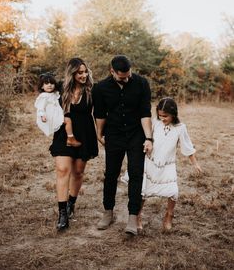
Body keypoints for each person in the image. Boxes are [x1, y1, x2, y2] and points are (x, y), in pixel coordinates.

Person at [93, 55, 153, 235]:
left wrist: (149, 138)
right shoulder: (100, 88)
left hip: (136, 135)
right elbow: (100, 114)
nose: (126, 79)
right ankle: (108, 212)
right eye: (122, 76)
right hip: (114, 135)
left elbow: (145, 112)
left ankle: (133, 217)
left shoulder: (142, 84)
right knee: (111, 173)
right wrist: (99, 134)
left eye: (128, 75)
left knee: (136, 174)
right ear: (112, 71)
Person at [49, 58, 98, 231]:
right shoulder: (61, 88)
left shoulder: (92, 90)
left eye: (85, 71)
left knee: (78, 172)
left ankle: (71, 203)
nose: (84, 75)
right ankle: (62, 213)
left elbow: (100, 113)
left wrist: (101, 134)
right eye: (79, 72)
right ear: (72, 73)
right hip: (64, 132)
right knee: (63, 170)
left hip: (84, 133)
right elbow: (45, 101)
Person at [140, 97, 202, 231]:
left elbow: (187, 147)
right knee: (143, 191)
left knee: (173, 192)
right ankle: (138, 216)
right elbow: (147, 136)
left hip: (168, 165)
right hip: (151, 162)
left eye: (165, 116)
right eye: (160, 115)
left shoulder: (180, 128)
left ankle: (169, 215)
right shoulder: (155, 122)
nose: (162, 118)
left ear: (173, 114)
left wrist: (195, 164)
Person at [35, 73, 81, 147]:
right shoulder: (43, 96)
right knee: (68, 120)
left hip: (56, 115)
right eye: (46, 83)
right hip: (50, 117)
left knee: (67, 120)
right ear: (42, 86)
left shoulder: (55, 93)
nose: (50, 85)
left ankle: (69, 137)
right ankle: (70, 139)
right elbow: (40, 108)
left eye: (52, 83)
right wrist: (42, 116)